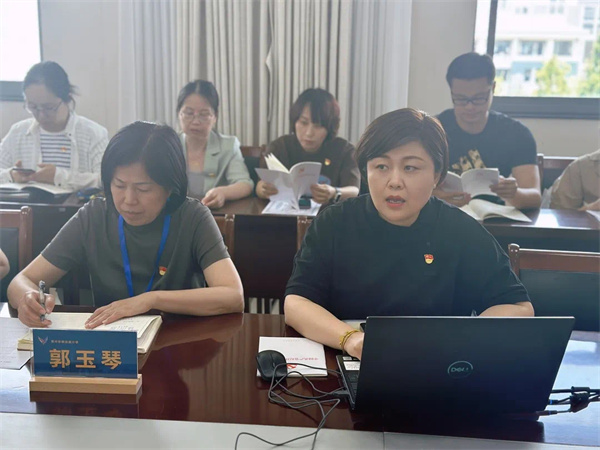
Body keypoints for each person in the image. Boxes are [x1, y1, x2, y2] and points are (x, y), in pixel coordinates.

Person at [284, 108, 533, 360]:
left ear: (437, 175)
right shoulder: (334, 223)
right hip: (348, 359)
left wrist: (460, 338)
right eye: (381, 166)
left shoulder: (461, 230)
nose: (394, 181)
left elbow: (519, 308)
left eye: (410, 168)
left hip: (436, 364)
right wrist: (350, 339)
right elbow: (296, 303)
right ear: (366, 171)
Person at [8, 121, 244, 328]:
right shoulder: (94, 216)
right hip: (112, 345)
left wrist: (151, 300)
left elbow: (233, 296)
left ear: (170, 187)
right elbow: (20, 282)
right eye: (119, 185)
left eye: (143, 189)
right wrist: (28, 298)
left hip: (180, 342)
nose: (129, 200)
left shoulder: (193, 217)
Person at [435, 53, 541, 210]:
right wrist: (436, 197)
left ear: (493, 88)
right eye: (461, 99)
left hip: (495, 217)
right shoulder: (433, 131)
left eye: (479, 98)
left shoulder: (517, 134)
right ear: (451, 92)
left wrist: (514, 193)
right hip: (444, 215)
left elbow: (534, 197)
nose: (470, 107)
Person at [0, 61, 108, 190]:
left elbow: (107, 180)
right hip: (28, 203)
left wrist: (59, 177)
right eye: (33, 107)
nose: (41, 115)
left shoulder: (92, 134)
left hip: (76, 203)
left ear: (67, 98)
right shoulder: (18, 132)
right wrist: (11, 175)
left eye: (49, 107)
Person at [256, 88, 360, 204]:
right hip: (285, 212)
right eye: (303, 123)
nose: (309, 133)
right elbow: (260, 186)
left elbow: (354, 190)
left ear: (329, 127)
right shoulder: (279, 147)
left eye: (318, 126)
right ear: (295, 121)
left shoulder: (344, 150)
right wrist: (262, 190)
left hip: (330, 212)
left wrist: (334, 192)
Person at [177, 80, 253, 209]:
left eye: (204, 114)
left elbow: (245, 184)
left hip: (214, 216)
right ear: (179, 114)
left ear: (215, 117)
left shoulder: (228, 146)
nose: (196, 121)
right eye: (189, 113)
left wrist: (223, 193)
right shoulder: (168, 145)